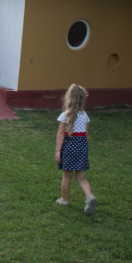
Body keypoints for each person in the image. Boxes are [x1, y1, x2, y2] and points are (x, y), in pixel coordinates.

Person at [54, 83, 97, 214]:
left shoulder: (65, 115)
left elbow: (61, 134)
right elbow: (86, 136)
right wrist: (83, 149)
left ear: (68, 98)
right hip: (82, 147)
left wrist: (58, 151)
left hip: (69, 147)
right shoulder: (84, 116)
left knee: (67, 176)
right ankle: (90, 196)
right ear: (83, 99)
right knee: (81, 177)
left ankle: (65, 200)